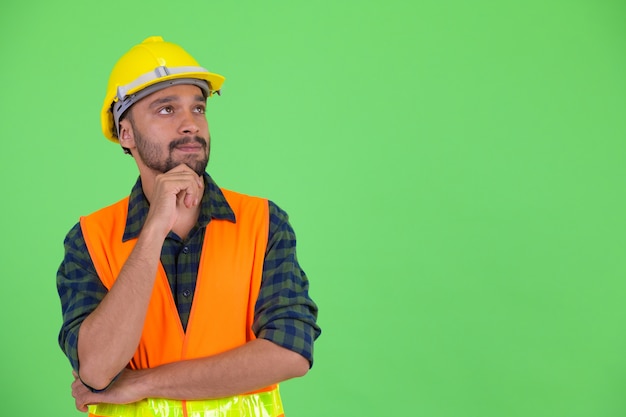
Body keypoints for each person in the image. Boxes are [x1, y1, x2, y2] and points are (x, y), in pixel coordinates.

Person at [56, 36, 321, 417]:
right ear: (125, 133)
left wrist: (144, 382)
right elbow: (96, 370)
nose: (190, 125)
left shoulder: (264, 222)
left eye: (198, 108)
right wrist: (152, 231)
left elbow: (291, 352)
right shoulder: (89, 239)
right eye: (166, 110)